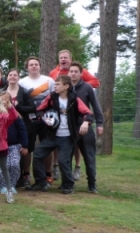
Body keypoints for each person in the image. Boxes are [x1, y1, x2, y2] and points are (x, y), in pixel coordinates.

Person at [26, 75, 94, 194]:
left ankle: (68, 185)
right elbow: (40, 110)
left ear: (66, 86)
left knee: (63, 161)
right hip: (52, 135)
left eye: (58, 84)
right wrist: (44, 118)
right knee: (37, 155)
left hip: (67, 137)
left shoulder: (75, 100)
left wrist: (86, 123)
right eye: (55, 84)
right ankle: (40, 183)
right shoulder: (51, 97)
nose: (55, 86)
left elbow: (88, 113)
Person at [68, 62, 103, 193]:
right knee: (67, 156)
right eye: (71, 71)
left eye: (76, 71)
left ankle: (92, 184)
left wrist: (100, 123)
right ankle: (68, 183)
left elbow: (95, 106)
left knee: (89, 156)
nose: (73, 74)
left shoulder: (87, 87)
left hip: (85, 125)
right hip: (70, 128)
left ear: (81, 73)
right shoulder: (65, 87)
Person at [19, 56, 55, 183]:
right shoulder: (22, 82)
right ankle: (26, 174)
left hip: (46, 117)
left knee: (47, 145)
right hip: (28, 119)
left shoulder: (49, 81)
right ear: (27, 67)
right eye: (31, 65)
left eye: (36, 64)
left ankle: (48, 174)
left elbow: (54, 99)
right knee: (27, 147)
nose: (34, 66)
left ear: (40, 66)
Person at [3, 68, 36, 187]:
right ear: (7, 77)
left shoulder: (24, 92)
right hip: (6, 126)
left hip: (22, 125)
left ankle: (25, 175)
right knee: (9, 152)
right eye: (10, 75)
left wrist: (18, 106)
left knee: (24, 150)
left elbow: (32, 108)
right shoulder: (1, 91)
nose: (12, 77)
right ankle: (9, 177)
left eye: (15, 75)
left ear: (18, 77)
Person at [0, 92, 28, 195]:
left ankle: (12, 184)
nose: (4, 102)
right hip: (2, 145)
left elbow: (22, 130)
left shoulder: (16, 116)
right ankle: (3, 185)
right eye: (1, 100)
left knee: (14, 165)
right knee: (5, 165)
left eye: (6, 100)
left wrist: (25, 145)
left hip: (15, 145)